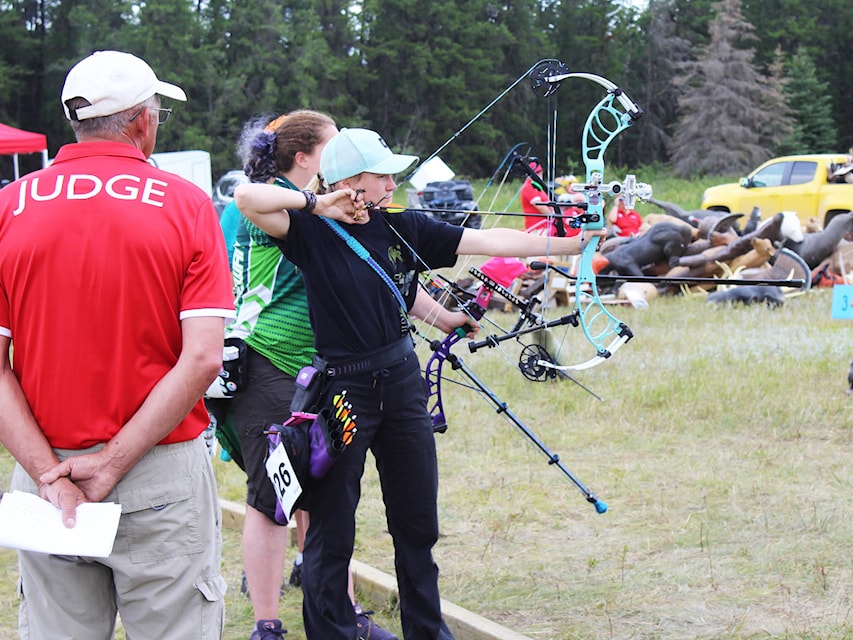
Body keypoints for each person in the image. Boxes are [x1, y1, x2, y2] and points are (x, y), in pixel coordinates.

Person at [234, 127, 604, 640]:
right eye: (381, 174)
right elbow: (246, 196)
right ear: (351, 181)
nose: (392, 182)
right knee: (332, 528)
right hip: (342, 391)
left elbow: (488, 238)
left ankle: (427, 632)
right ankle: (333, 632)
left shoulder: (402, 225)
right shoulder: (309, 231)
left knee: (416, 525)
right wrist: (318, 202)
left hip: (403, 383)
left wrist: (571, 243)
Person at [0, 50, 234, 638]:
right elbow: (203, 355)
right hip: (157, 471)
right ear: (142, 121)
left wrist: (49, 474)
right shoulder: (185, 203)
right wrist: (111, 462)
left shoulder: (9, 206)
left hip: (45, 469)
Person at [219, 110, 400, 640]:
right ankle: (268, 626)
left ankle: (341, 616)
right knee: (272, 498)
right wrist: (321, 204)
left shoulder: (317, 204)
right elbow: (247, 201)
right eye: (333, 148)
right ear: (304, 158)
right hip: (267, 361)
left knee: (321, 494)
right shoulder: (277, 198)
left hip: (314, 368)